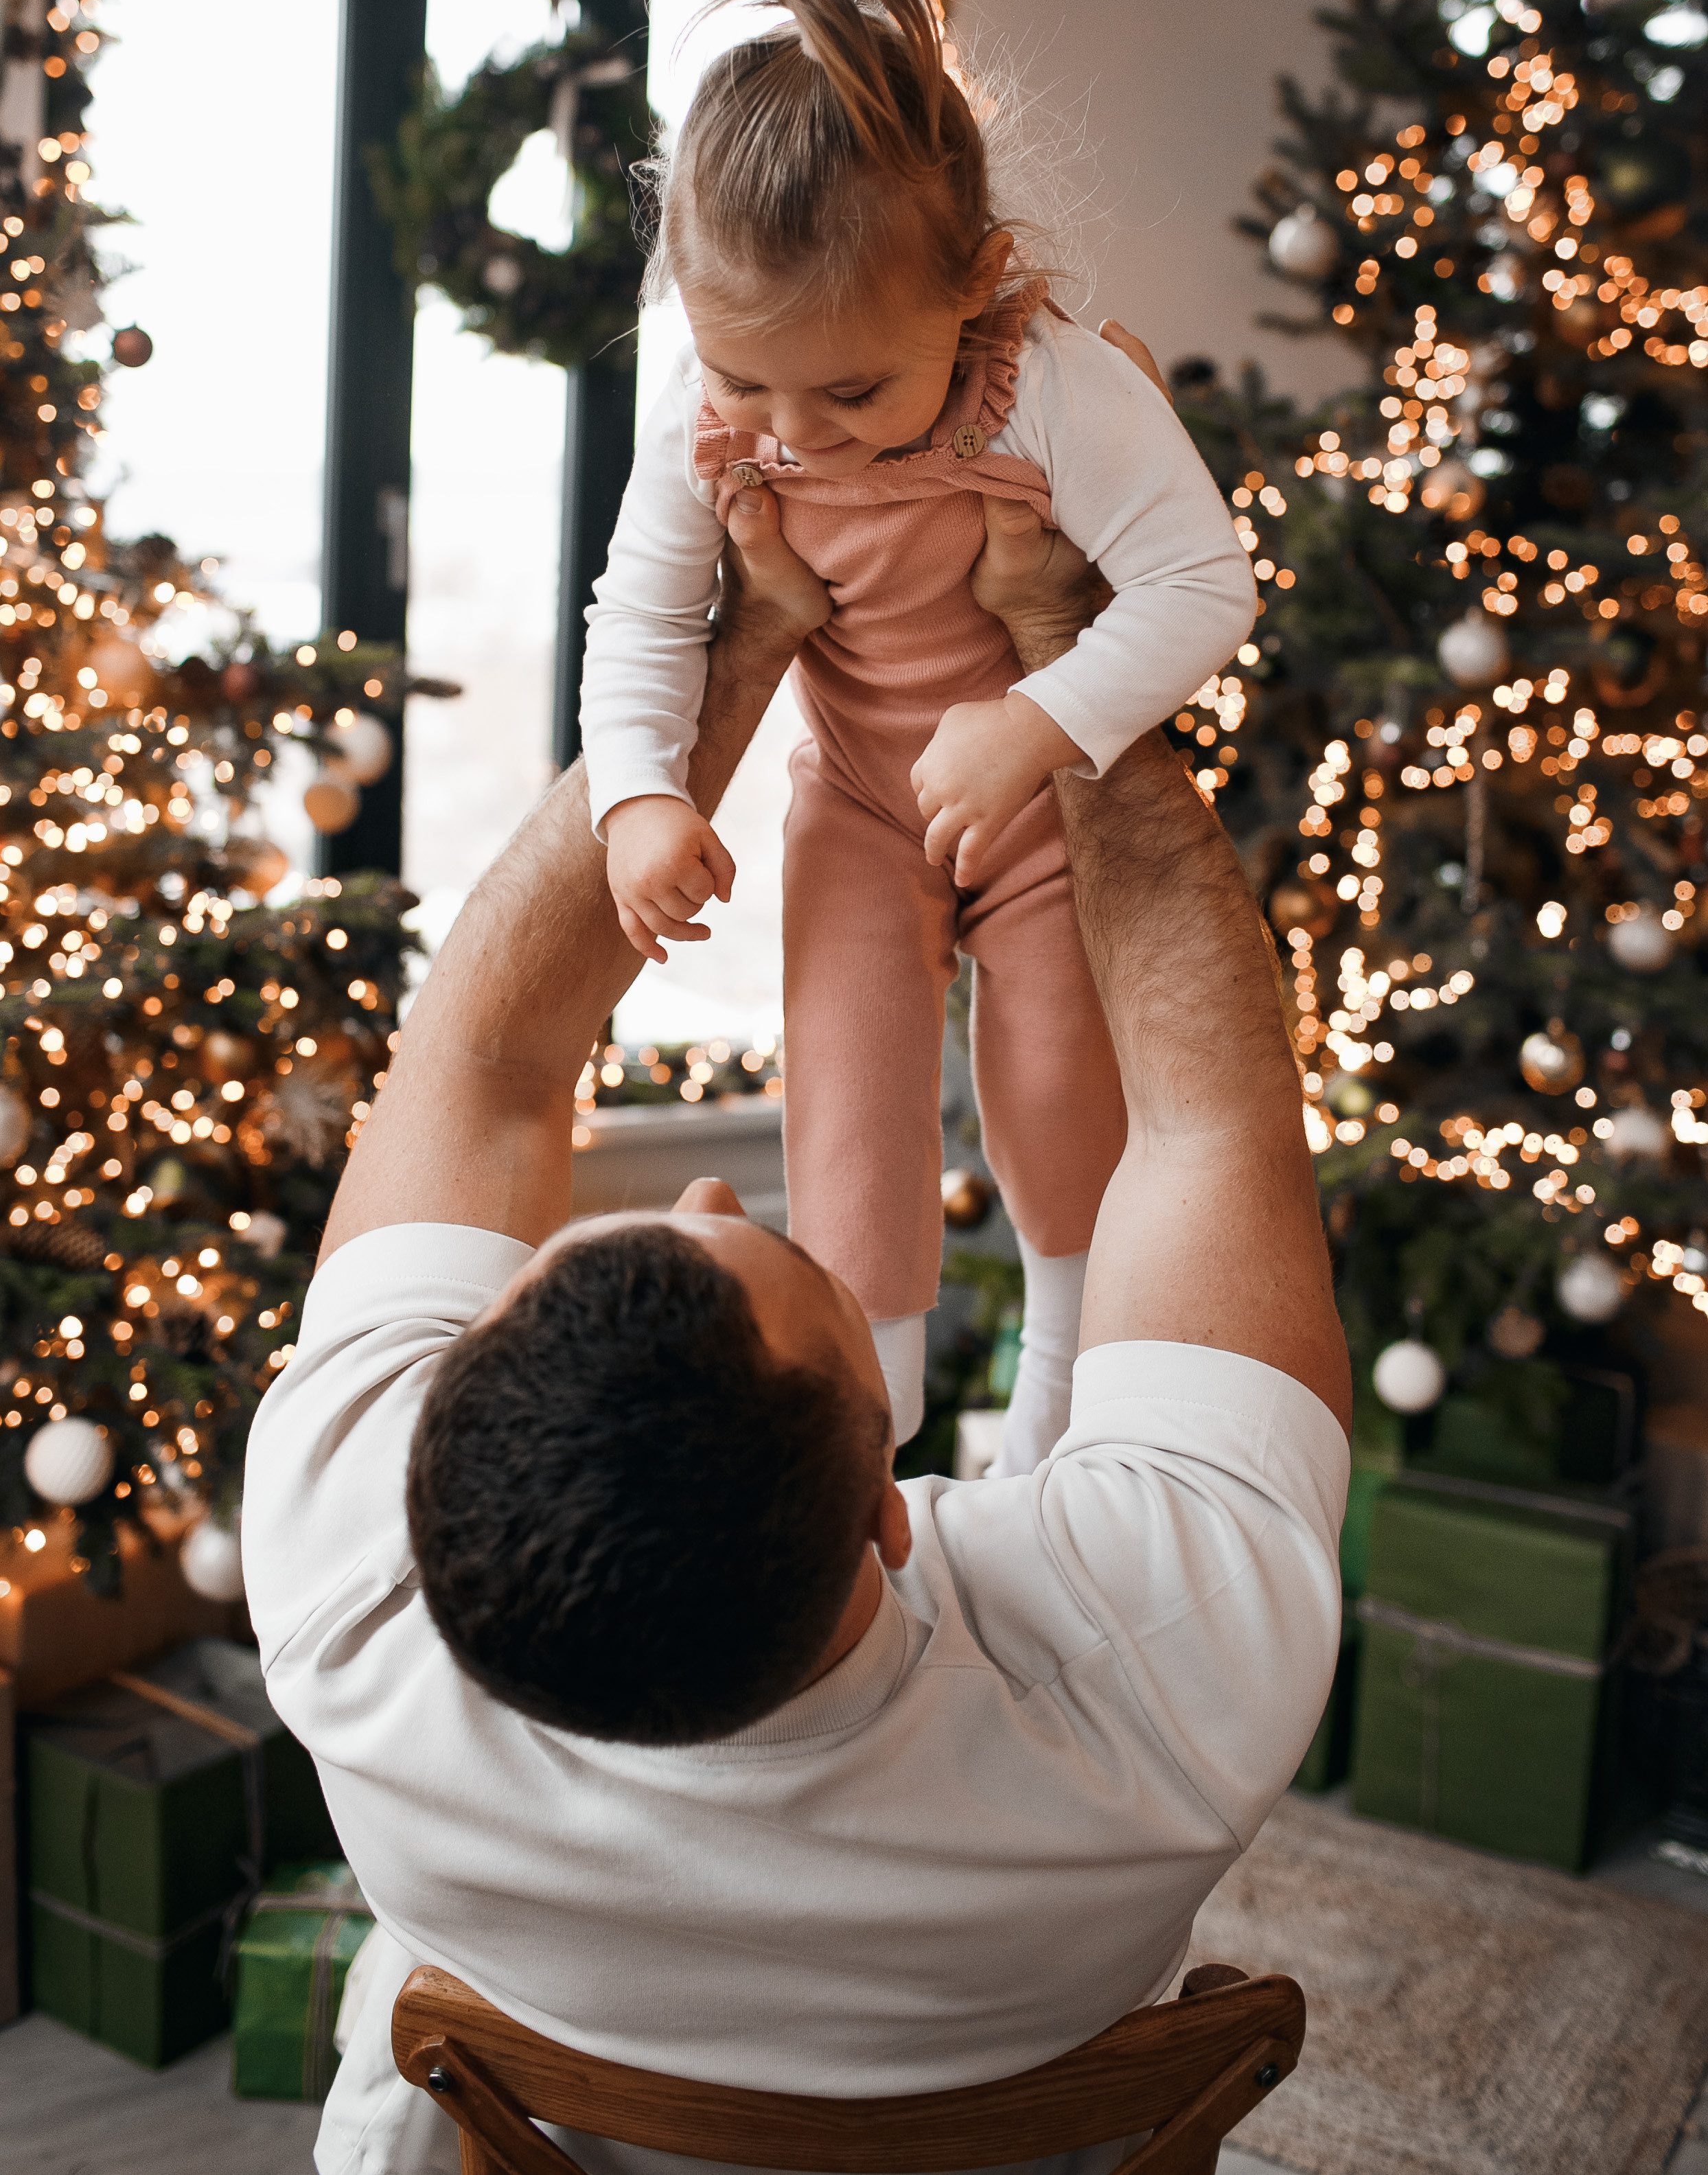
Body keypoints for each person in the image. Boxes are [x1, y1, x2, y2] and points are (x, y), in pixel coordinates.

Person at [242, 419, 1351, 2175]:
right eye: (807, 1278)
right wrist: (1069, 660)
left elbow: (485, 1055)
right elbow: (1210, 1123)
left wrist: (746, 632)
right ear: (894, 1522)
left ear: (426, 1445)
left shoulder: (340, 1606)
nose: (698, 1182)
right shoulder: (1169, 1687)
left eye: (623, 1233)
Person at [580, 0, 1256, 1475]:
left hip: (1033, 805)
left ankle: (1060, 1376)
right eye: (750, 381)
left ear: (973, 285)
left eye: (852, 391)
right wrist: (636, 794)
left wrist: (1035, 723)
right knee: (848, 1086)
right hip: (860, 797)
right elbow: (642, 613)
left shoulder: (1053, 386)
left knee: (1051, 1083)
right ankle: (864, 1419)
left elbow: (1200, 585)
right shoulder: (709, 404)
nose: (795, 435)